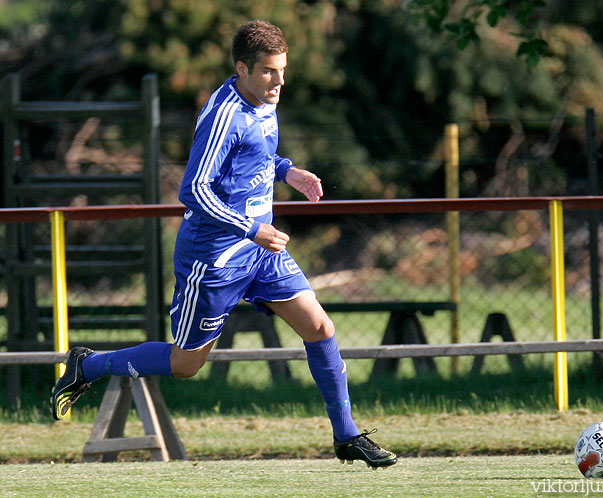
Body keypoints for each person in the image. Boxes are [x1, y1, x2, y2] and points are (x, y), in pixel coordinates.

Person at [51, 19, 397, 469]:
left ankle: (347, 436)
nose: (280, 81)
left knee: (321, 328)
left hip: (261, 253)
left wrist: (286, 170)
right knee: (185, 364)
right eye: (270, 72)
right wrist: (250, 228)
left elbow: (254, 156)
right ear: (243, 69)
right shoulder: (224, 116)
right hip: (213, 259)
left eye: (283, 70)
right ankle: (89, 365)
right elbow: (193, 190)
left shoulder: (263, 100)